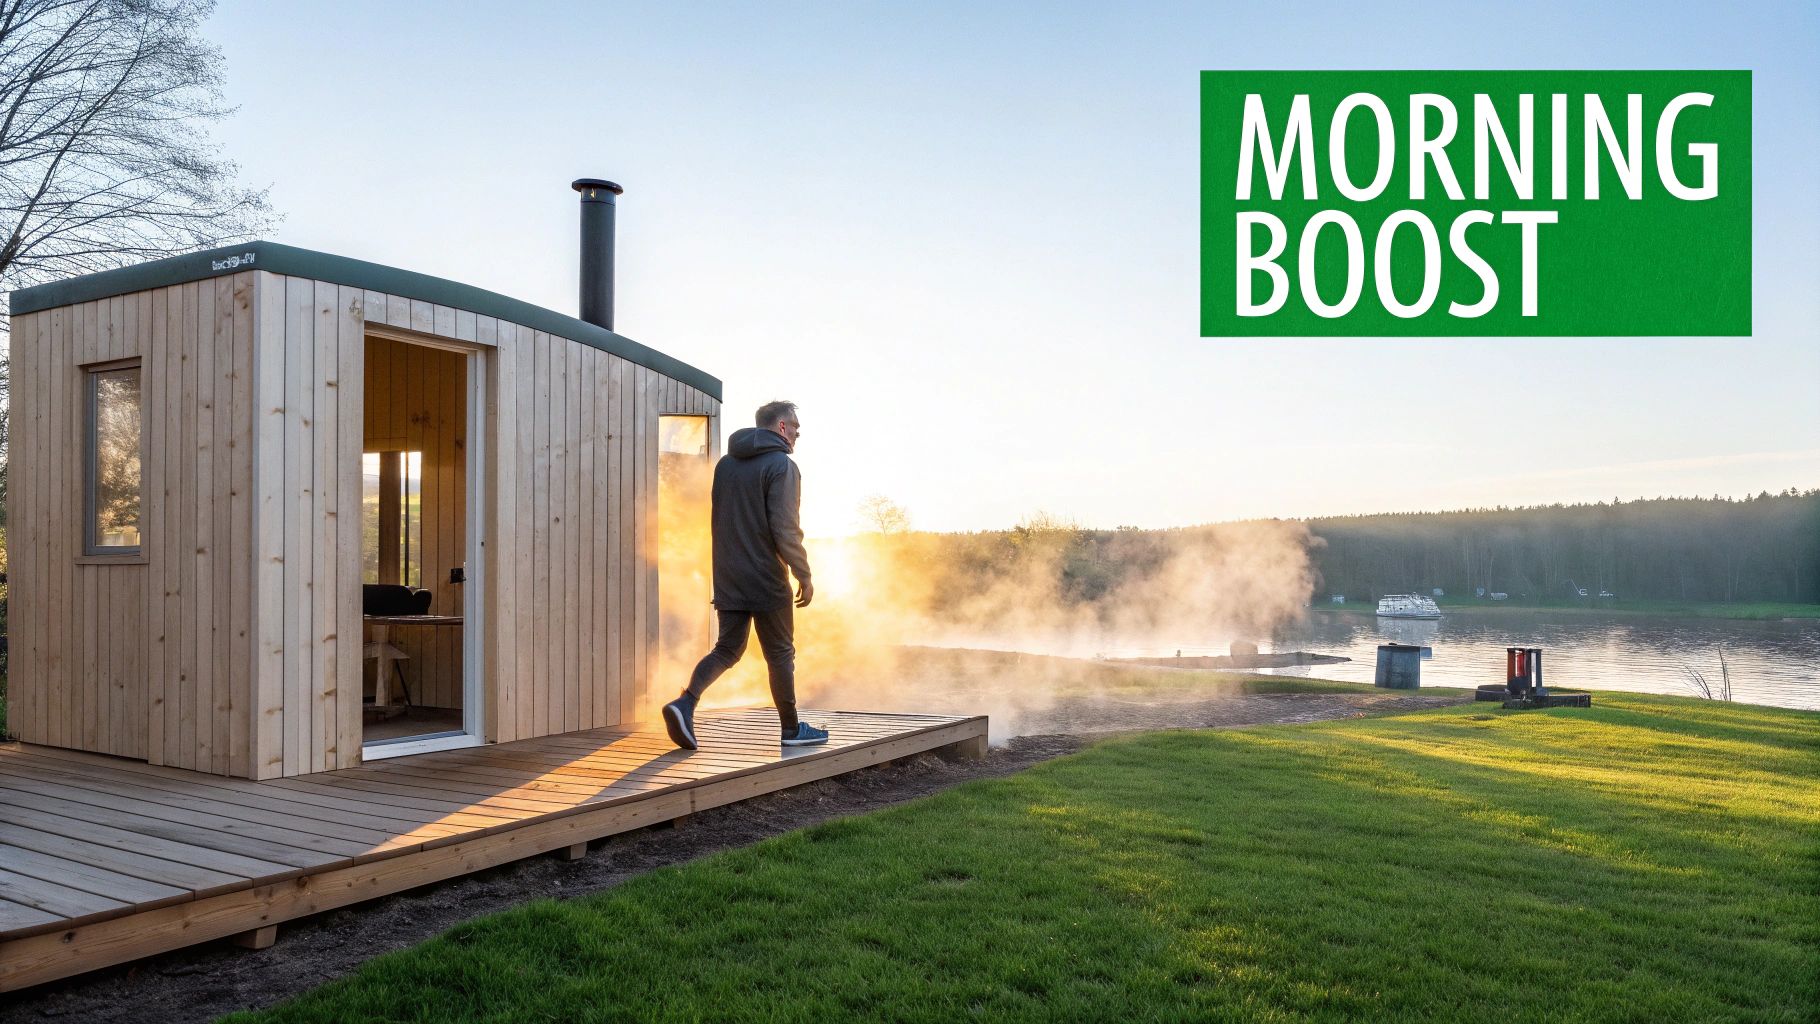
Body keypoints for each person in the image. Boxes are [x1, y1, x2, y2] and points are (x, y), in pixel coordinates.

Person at [662, 401, 828, 750]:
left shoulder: (726, 465)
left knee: (727, 649)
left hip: (728, 575)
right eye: (795, 425)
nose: (799, 432)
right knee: (781, 654)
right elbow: (785, 528)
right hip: (766, 576)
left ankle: (685, 703)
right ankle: (792, 730)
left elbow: (720, 521)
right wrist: (804, 573)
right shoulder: (782, 465)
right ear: (781, 427)